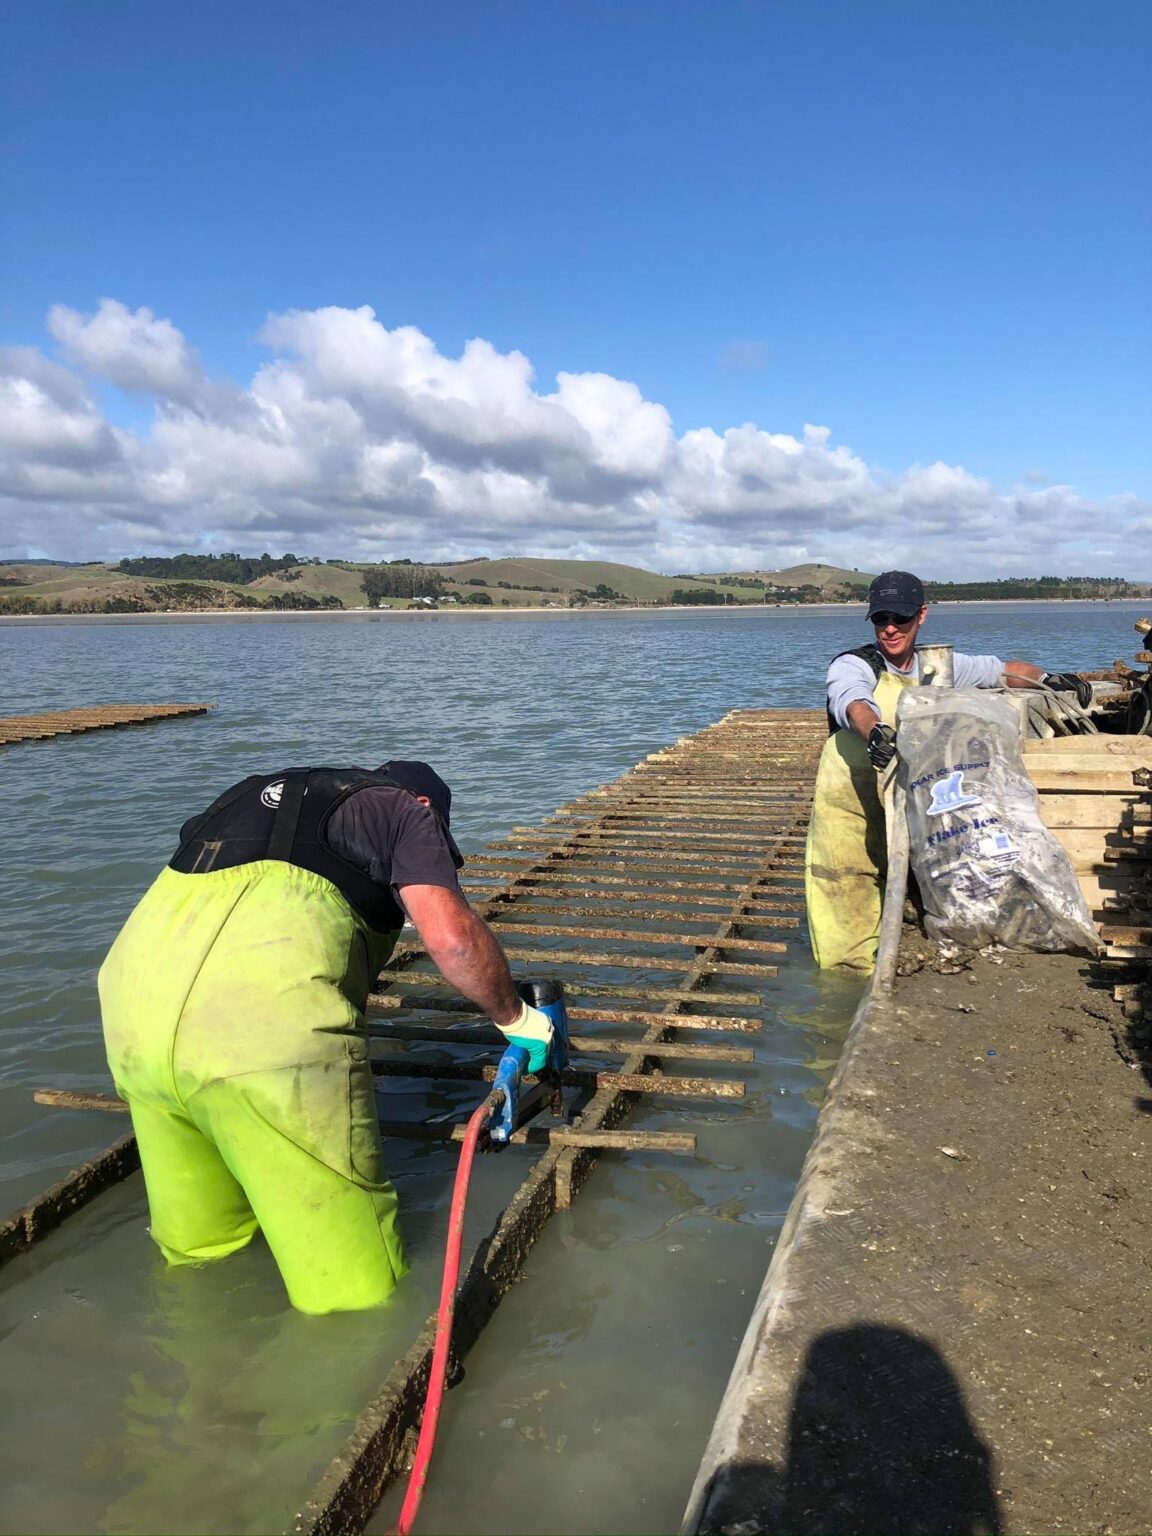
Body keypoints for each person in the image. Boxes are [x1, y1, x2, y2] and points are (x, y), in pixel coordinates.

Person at [98, 759, 554, 1315]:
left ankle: (203, 1377)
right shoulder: (406, 811)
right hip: (260, 1037)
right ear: (429, 808)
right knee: (352, 1293)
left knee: (199, 1254)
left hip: (130, 1014)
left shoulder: (247, 794)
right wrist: (517, 1019)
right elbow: (452, 940)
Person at [804, 571, 1093, 972]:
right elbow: (851, 698)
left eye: (900, 618)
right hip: (852, 791)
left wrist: (1049, 678)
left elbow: (1001, 670)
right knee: (845, 886)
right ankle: (842, 984)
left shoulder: (940, 664)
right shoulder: (854, 663)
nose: (889, 628)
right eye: (880, 618)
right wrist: (874, 732)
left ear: (921, 615)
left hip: (912, 793)